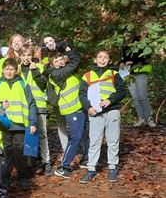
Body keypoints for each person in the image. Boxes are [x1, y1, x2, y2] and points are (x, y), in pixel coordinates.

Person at [79, 49, 127, 183]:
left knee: (113, 140)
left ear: (109, 60)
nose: (102, 59)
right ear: (95, 60)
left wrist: (110, 100)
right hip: (95, 113)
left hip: (112, 111)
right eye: (100, 57)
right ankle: (91, 169)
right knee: (94, 141)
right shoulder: (87, 75)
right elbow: (82, 94)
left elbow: (122, 91)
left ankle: (112, 168)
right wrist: (88, 108)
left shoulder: (114, 74)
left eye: (105, 57)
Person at [0, 58, 37, 190]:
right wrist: (1, 105)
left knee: (19, 151)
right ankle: (6, 177)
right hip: (4, 123)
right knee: (7, 151)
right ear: (2, 70)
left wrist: (33, 122)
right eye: (6, 69)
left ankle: (23, 176)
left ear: (16, 70)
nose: (9, 72)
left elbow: (31, 104)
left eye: (11, 69)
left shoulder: (23, 84)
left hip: (19, 124)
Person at [47, 47, 86, 179]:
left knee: (84, 134)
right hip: (70, 108)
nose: (59, 62)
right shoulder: (56, 74)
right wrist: (69, 50)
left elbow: (76, 63)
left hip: (80, 107)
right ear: (52, 64)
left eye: (60, 59)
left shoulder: (69, 70)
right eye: (56, 61)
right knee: (75, 137)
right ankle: (64, 167)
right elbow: (75, 61)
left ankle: (85, 159)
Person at [17, 46, 52, 175]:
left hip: (39, 105)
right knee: (28, 135)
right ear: (19, 56)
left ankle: (46, 161)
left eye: (28, 55)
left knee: (42, 135)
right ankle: (29, 163)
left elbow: (44, 84)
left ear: (32, 56)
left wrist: (35, 71)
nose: (26, 58)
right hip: (24, 107)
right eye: (23, 55)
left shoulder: (39, 67)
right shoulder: (18, 70)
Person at [121, 34, 156, 127]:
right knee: (135, 97)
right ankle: (141, 118)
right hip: (129, 73)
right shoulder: (126, 46)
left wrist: (133, 62)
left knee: (142, 96)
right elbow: (124, 59)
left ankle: (149, 118)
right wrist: (122, 63)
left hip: (141, 71)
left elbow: (146, 58)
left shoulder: (145, 42)